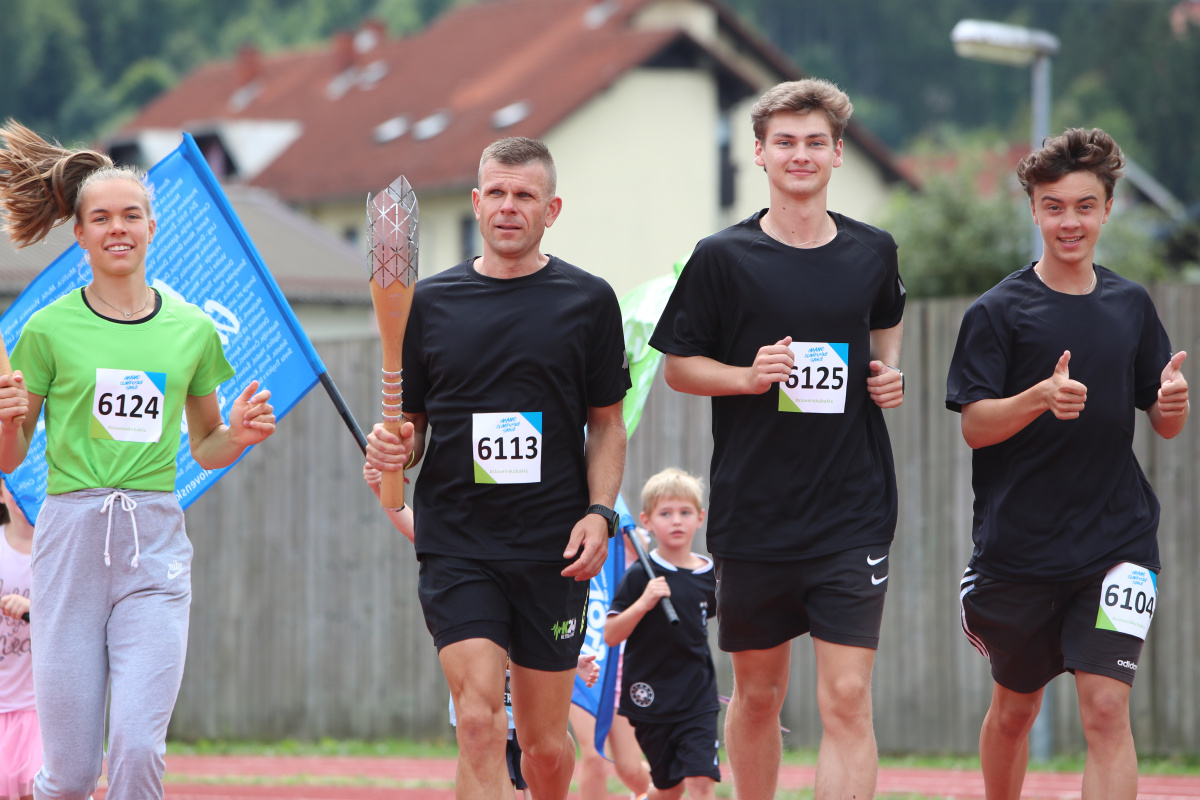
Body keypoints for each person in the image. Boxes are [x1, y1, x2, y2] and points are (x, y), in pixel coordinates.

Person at [0, 121, 276, 800]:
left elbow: (206, 443)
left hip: (153, 545)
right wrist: (4, 418)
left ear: (153, 226)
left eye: (130, 215)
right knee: (70, 776)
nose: (117, 228)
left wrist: (238, 435)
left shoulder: (192, 331)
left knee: (137, 749)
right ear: (80, 234)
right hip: (69, 545)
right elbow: (11, 455)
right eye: (101, 218)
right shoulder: (48, 329)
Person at [648, 79, 905, 800]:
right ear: (759, 153)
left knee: (847, 697)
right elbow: (678, 369)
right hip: (755, 514)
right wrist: (747, 376)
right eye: (785, 142)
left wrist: (888, 371)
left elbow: (886, 321)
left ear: (837, 153)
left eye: (815, 142)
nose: (801, 155)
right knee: (758, 696)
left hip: (853, 510)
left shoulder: (873, 250)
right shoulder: (721, 257)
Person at [366, 136, 630, 800]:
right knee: (479, 724)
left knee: (543, 747)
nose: (509, 207)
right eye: (497, 193)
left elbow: (607, 424)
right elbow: (413, 425)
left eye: (525, 196)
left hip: (553, 549)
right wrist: (395, 448)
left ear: (552, 209)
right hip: (458, 542)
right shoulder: (428, 303)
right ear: (477, 202)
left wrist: (600, 513)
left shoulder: (589, 300)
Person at [946, 128, 1189, 800]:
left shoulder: (1131, 306)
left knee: (1107, 709)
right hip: (1019, 552)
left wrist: (1172, 401)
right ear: (1034, 210)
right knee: (1015, 711)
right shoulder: (996, 312)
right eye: (1054, 207)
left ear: (1108, 209)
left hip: (1119, 544)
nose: (1069, 222)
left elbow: (1164, 423)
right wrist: (1038, 398)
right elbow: (974, 427)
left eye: (1084, 206)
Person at [604, 469, 719, 800]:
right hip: (650, 697)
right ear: (647, 521)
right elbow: (611, 635)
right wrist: (644, 603)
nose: (676, 521)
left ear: (700, 518)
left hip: (698, 697)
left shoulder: (710, 574)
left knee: (701, 781)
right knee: (670, 789)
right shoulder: (640, 575)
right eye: (665, 513)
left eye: (685, 512)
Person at [568, 525, 652, 800]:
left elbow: (643, 550)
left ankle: (665, 791)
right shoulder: (568, 534)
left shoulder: (628, 540)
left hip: (618, 670)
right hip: (580, 665)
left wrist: (620, 525)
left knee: (630, 769)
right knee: (593, 754)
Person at [451, 657, 601, 800]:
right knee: (494, 786)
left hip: (528, 719)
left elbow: (547, 644)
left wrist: (572, 661)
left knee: (536, 786)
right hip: (489, 721)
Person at [0, 481, 38, 800]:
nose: (22, 492)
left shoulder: (55, 552)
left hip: (38, 706)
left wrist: (33, 609)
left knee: (36, 789)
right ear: (1, 493)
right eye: (14, 484)